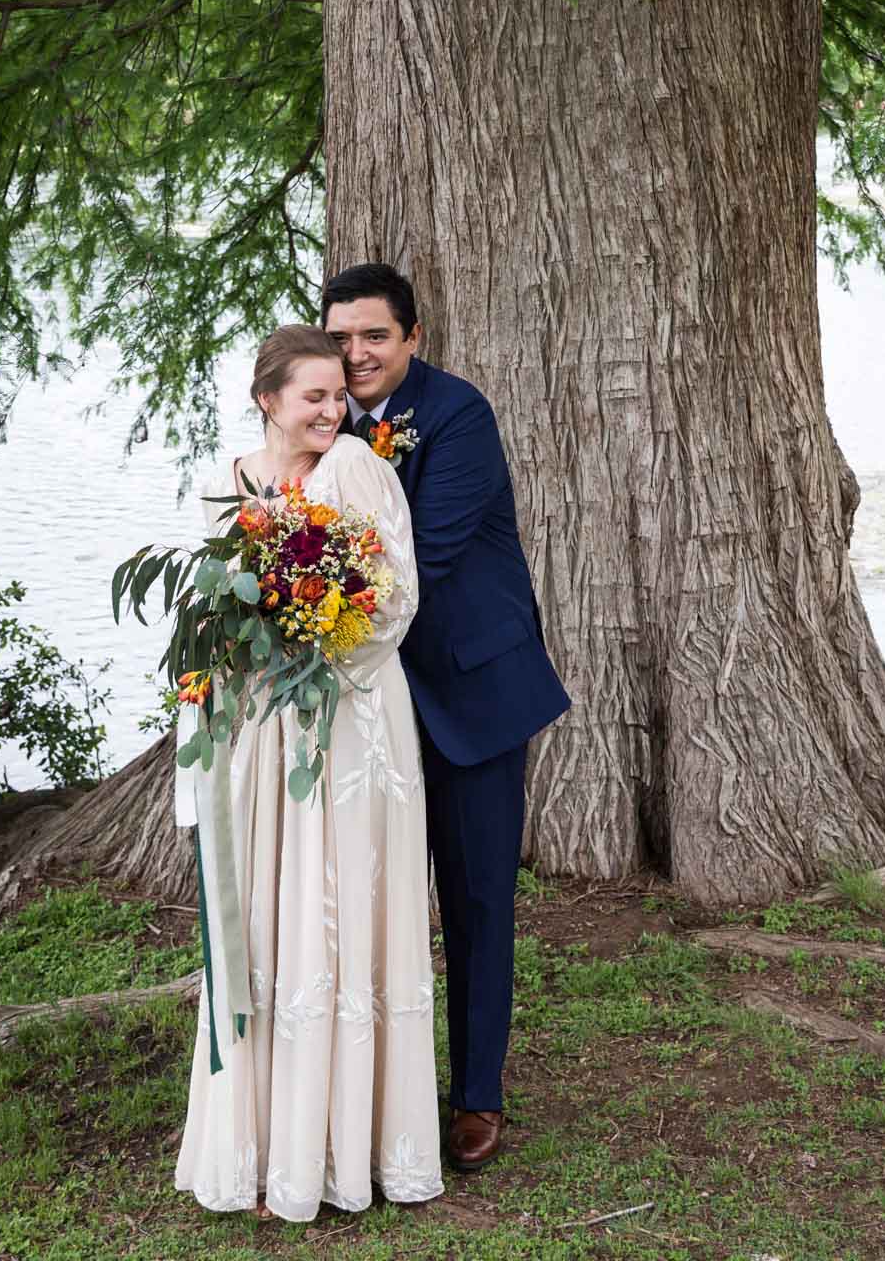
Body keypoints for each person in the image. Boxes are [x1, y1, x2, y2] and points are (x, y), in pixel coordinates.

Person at [174, 324, 443, 1223]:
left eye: (341, 395)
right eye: (314, 397)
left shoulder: (359, 470)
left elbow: (396, 597)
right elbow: (207, 618)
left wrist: (315, 633)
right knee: (272, 908)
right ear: (268, 400)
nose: (335, 411)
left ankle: (350, 1145)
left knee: (344, 905)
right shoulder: (232, 481)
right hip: (261, 734)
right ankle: (263, 1142)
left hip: (353, 723)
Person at [323, 263, 570, 1173]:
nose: (356, 355)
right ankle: (377, 1089)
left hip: (470, 693)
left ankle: (475, 1095)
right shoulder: (319, 419)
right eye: (341, 337)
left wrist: (306, 590)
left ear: (412, 338)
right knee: (364, 901)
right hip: (365, 707)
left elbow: (415, 556)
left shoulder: (459, 415)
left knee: (474, 900)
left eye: (374, 337)